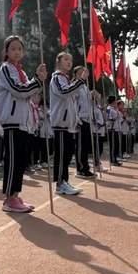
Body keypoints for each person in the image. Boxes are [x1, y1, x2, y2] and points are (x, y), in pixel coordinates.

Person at [0, 35, 47, 213]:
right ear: (6, 51)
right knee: (13, 161)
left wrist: (39, 80)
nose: (17, 52)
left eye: (19, 49)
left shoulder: (21, 71)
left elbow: (29, 95)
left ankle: (15, 194)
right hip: (12, 122)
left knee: (20, 161)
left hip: (23, 123)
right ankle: (9, 199)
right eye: (13, 49)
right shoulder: (6, 69)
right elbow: (18, 90)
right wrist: (36, 81)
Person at [49, 52, 86, 196]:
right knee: (62, 154)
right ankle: (59, 183)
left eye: (70, 60)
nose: (69, 62)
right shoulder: (57, 77)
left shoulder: (66, 79)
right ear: (59, 62)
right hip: (60, 123)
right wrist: (80, 81)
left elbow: (71, 101)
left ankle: (64, 181)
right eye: (66, 59)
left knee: (68, 153)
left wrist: (75, 119)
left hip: (68, 124)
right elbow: (64, 92)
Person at [73, 65, 96, 179]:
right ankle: (81, 169)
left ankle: (86, 167)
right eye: (81, 72)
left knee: (86, 145)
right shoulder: (75, 86)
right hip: (80, 119)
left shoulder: (84, 87)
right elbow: (74, 102)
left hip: (87, 118)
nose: (84, 73)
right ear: (77, 74)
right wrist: (76, 117)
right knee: (81, 145)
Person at [106, 96, 121, 166]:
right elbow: (109, 118)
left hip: (116, 129)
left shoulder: (115, 109)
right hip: (112, 129)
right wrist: (115, 117)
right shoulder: (109, 109)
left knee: (116, 145)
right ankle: (112, 160)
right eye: (115, 101)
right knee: (113, 146)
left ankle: (115, 159)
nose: (116, 102)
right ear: (112, 101)